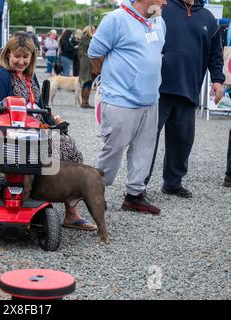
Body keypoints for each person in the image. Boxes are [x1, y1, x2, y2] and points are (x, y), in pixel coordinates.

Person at [0, 32, 97, 231]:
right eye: (16, 56)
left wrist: (54, 120)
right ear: (7, 54)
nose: (21, 61)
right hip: (10, 133)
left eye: (25, 57)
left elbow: (41, 105)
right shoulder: (0, 76)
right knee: (48, 153)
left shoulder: (30, 76)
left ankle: (71, 213)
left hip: (35, 130)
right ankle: (32, 196)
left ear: (31, 58)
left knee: (71, 151)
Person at [88, 0, 166, 214]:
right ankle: (95, 193)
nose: (166, 2)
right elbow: (94, 53)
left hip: (150, 100)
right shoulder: (115, 19)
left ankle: (134, 196)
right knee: (113, 148)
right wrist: (111, 78)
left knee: (144, 149)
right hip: (120, 99)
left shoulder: (158, 21)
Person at [145, 0, 225, 198]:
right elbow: (144, 35)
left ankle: (173, 183)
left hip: (189, 88)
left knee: (183, 140)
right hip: (158, 88)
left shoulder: (208, 18)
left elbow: (215, 53)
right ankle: (138, 185)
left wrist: (217, 80)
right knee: (147, 140)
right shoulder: (163, 8)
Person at [77, 25, 96, 109]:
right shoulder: (89, 39)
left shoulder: (83, 38)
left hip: (83, 60)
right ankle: (85, 102)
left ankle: (84, 102)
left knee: (85, 81)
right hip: (87, 61)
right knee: (88, 81)